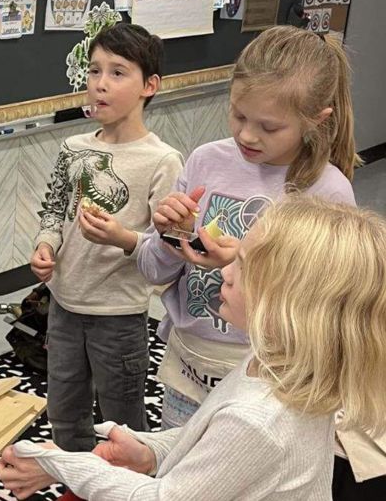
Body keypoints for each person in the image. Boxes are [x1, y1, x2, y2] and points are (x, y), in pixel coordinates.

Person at [0, 198, 386, 500]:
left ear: (293, 306)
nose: (226, 271)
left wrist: (58, 463)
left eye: (244, 266)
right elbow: (209, 443)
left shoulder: (260, 421)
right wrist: (150, 452)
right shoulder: (277, 361)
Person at [136, 25, 357, 430]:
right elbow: (152, 270)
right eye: (238, 114)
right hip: (189, 366)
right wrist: (172, 234)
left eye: (269, 127)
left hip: (267, 384)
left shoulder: (329, 191)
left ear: (316, 120)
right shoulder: (205, 160)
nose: (246, 134)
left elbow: (325, 316)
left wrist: (243, 262)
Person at [29, 22, 183, 451]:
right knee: (64, 413)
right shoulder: (73, 147)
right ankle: (77, 485)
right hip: (63, 306)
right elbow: (54, 211)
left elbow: (167, 250)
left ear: (149, 85)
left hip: (119, 315)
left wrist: (122, 237)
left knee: (122, 423)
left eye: (118, 73)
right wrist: (46, 246)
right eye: (94, 71)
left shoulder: (163, 161)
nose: (100, 84)